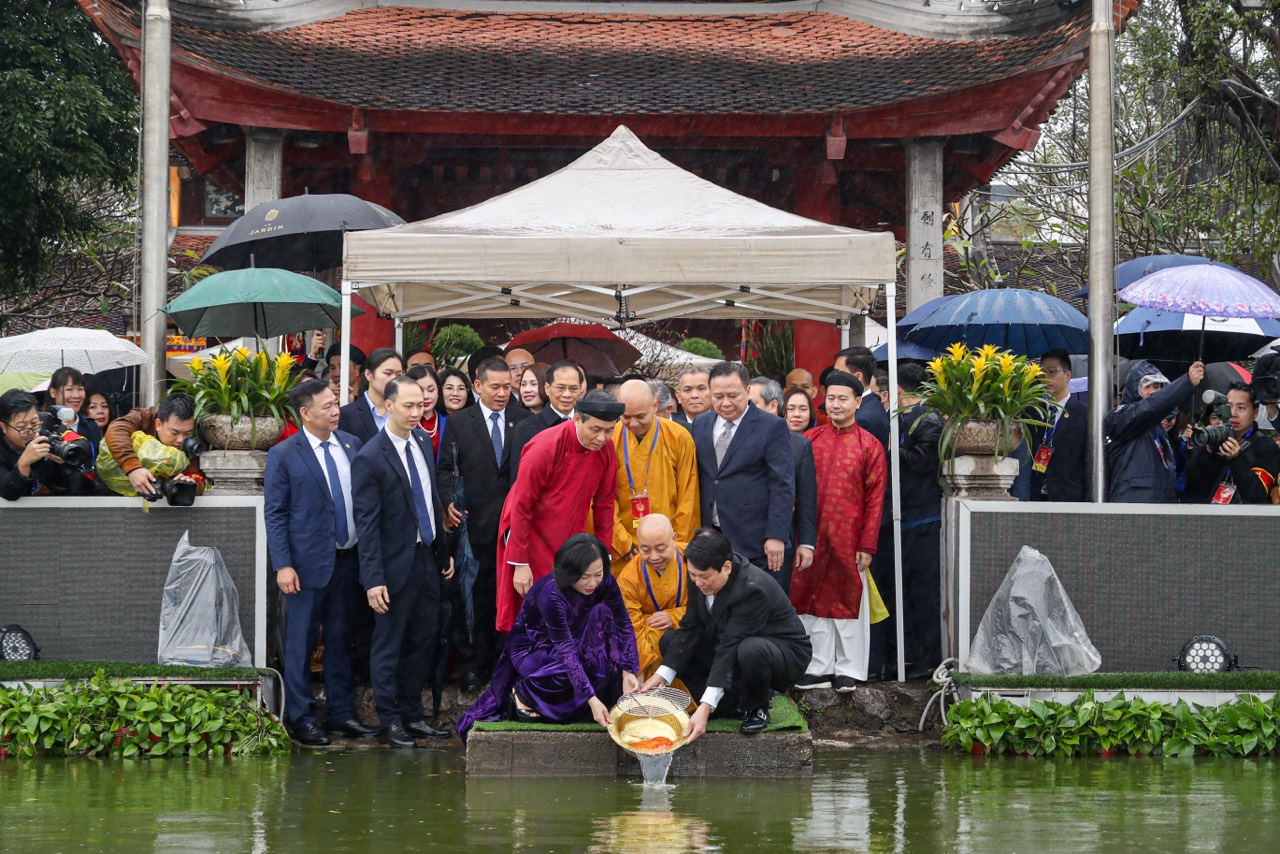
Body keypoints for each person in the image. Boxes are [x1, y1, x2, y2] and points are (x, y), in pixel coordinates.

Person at [263, 379, 374, 746]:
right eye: (326, 406)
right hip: (305, 565)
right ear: (306, 414)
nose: (335, 410)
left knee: (341, 639)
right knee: (300, 643)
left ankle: (341, 713)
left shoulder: (351, 444)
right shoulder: (284, 453)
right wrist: (283, 564)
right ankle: (302, 717)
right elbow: (275, 514)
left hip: (348, 558)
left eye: (336, 403)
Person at [351, 376, 455, 748]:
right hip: (392, 565)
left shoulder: (424, 441)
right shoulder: (369, 457)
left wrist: (444, 552)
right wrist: (373, 578)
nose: (417, 412)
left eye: (422, 404)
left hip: (427, 557)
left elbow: (429, 502)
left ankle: (413, 714)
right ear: (388, 405)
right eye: (408, 405)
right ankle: (390, 719)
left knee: (423, 638)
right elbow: (367, 524)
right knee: (389, 643)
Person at [456, 534, 640, 738]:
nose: (593, 583)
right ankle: (524, 693)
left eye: (598, 574)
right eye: (585, 576)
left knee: (604, 621)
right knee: (570, 669)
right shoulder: (551, 594)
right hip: (534, 647)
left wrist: (628, 669)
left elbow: (623, 623)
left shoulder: (605, 582)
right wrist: (591, 698)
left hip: (577, 638)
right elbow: (566, 651)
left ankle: (591, 705)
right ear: (569, 573)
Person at [640, 528, 811, 739]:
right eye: (693, 575)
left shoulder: (752, 589)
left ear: (727, 567)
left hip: (781, 652)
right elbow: (692, 627)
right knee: (672, 640)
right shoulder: (698, 576)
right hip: (731, 640)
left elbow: (731, 643)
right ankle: (724, 705)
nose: (698, 582)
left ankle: (756, 707)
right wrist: (663, 674)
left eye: (704, 577)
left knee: (749, 649)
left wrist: (704, 706)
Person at [436, 356, 532, 691]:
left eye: (508, 386)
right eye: (495, 387)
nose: (503, 393)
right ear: (477, 386)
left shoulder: (523, 420)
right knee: (472, 598)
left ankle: (503, 664)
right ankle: (472, 667)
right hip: (472, 527)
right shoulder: (460, 423)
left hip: (513, 529)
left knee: (507, 600)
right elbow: (445, 469)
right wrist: (449, 501)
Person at [791, 372, 887, 692]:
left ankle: (850, 668)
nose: (835, 404)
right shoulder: (810, 440)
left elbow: (876, 499)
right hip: (811, 535)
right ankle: (816, 666)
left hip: (850, 537)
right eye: (830, 398)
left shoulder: (870, 445)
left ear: (858, 402)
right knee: (810, 599)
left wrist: (868, 543)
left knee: (848, 601)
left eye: (842, 398)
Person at [495, 390, 622, 632]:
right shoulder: (545, 445)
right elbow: (521, 504)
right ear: (576, 419)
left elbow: (605, 503)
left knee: (572, 613)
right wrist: (520, 563)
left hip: (572, 540)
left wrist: (602, 556)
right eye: (595, 429)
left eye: (609, 430)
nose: (602, 438)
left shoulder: (607, 450)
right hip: (531, 538)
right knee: (536, 611)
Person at [692, 361, 794, 573]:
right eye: (718, 397)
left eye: (733, 395)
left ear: (747, 391)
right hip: (711, 533)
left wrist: (776, 535)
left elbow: (782, 484)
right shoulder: (701, 424)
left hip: (753, 537)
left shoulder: (771, 426)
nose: (726, 403)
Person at [610, 379, 700, 567]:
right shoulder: (611, 438)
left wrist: (677, 545)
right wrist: (622, 541)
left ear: (655, 405)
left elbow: (688, 496)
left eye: (640, 416)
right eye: (626, 417)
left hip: (668, 544)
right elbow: (603, 497)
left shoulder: (678, 436)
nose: (633, 423)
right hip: (625, 547)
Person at [894, 363, 944, 679]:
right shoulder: (905, 419)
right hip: (908, 517)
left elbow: (925, 462)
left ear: (898, 391)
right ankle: (913, 655)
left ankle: (931, 658)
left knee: (926, 592)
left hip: (924, 519)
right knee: (910, 591)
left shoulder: (929, 420)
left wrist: (894, 450)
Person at [747, 377, 816, 593]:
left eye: (752, 405)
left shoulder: (798, 445)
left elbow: (806, 498)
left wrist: (806, 543)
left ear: (773, 406)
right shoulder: (733, 439)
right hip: (740, 536)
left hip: (778, 540)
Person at [1105, 359, 1205, 503]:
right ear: (1134, 389)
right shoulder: (1119, 416)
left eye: (1157, 387)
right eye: (1147, 386)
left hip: (1157, 512)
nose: (1153, 392)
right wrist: (1187, 381)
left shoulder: (1158, 428)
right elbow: (1151, 406)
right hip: (1131, 510)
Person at [615, 514, 688, 681]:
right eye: (645, 550)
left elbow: (709, 605)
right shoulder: (630, 576)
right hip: (647, 638)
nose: (654, 557)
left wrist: (674, 616)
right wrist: (636, 670)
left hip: (689, 632)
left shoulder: (693, 559)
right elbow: (629, 624)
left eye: (661, 549)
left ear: (674, 538)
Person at [1184, 383, 1280, 504]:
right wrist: (1207, 451)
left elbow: (1256, 494)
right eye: (1228, 407)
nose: (1233, 413)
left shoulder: (1266, 446)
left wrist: (1236, 458)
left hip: (1244, 520)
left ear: (1255, 412)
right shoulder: (1217, 438)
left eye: (1241, 408)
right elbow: (1192, 483)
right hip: (1208, 517)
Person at [105, 393, 206, 499]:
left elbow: (196, 474)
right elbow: (116, 430)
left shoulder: (194, 437)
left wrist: (193, 483)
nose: (181, 440)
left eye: (187, 434)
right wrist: (133, 468)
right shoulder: (143, 418)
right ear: (158, 424)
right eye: (174, 432)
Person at [0, 389, 96, 500]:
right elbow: (8, 492)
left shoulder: (47, 422)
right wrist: (24, 462)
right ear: (3, 427)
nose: (31, 431)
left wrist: (65, 451)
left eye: (34, 423)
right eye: (22, 427)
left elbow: (83, 445)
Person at [509, 360, 585, 482]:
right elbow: (519, 480)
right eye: (560, 388)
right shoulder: (526, 427)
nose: (567, 394)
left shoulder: (587, 424)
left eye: (573, 388)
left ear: (581, 390)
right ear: (547, 388)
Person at [1028, 349, 1088, 502]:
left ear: (1068, 375)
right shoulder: (1032, 412)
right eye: (1042, 373)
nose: (1046, 378)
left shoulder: (1084, 415)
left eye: (1052, 372)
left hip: (1069, 497)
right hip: (1034, 496)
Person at [338, 348, 405, 443]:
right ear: (369, 374)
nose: (393, 379)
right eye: (387, 373)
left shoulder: (404, 412)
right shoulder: (346, 415)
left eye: (398, 375)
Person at [834, 348, 889, 446]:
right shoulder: (871, 402)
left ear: (858, 377)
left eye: (839, 372)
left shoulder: (863, 418)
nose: (834, 377)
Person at [47, 367, 103, 454]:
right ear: (54, 392)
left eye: (80, 389)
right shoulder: (44, 426)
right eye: (69, 389)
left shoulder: (91, 426)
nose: (76, 395)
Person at [407, 363, 448, 463]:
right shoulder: (404, 423)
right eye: (419, 390)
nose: (425, 396)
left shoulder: (449, 422)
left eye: (431, 390)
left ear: (438, 390)